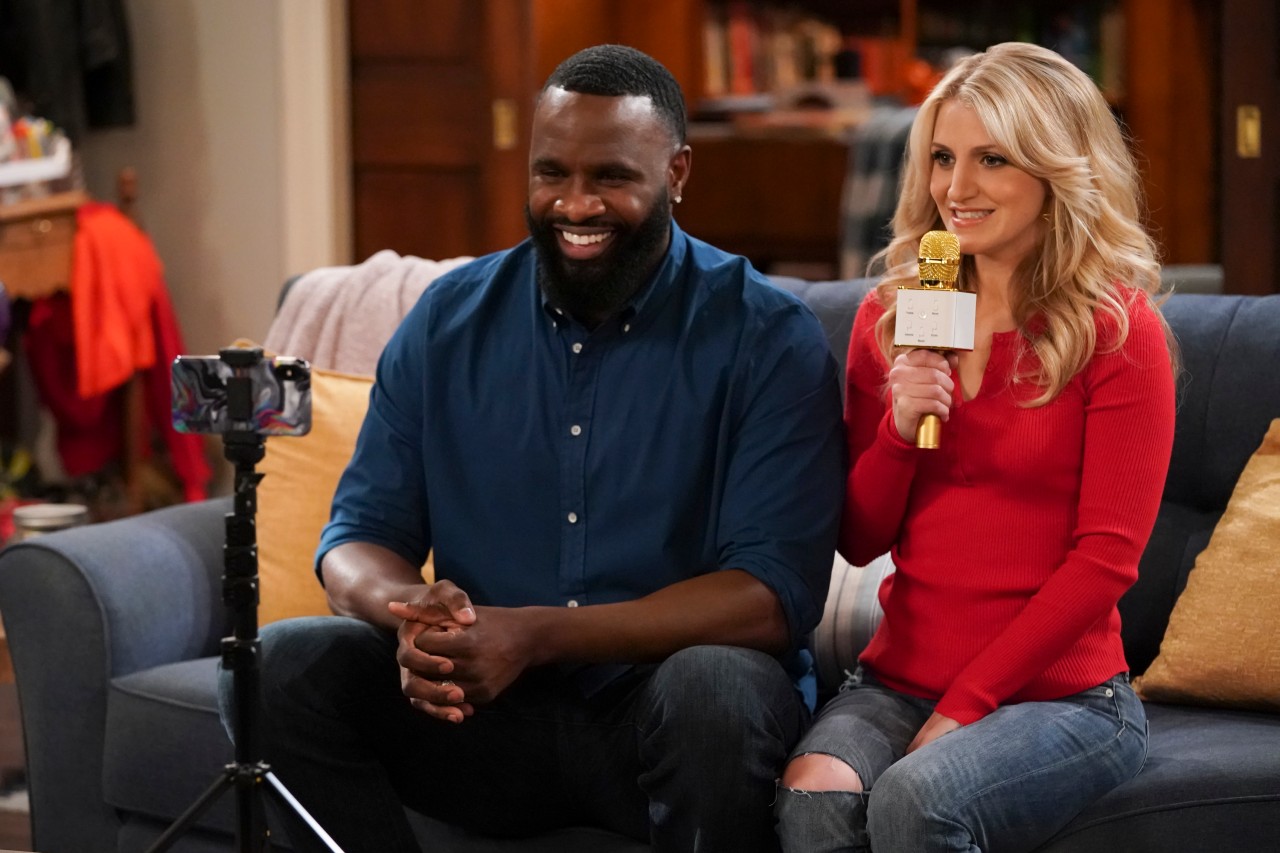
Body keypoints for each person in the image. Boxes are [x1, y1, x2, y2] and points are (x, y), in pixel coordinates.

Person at [218, 44, 845, 852]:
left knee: (718, 685)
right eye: (552, 174)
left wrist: (535, 633)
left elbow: (770, 597)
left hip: (662, 714)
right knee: (277, 664)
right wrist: (413, 614)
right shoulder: (448, 321)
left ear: (677, 172)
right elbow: (356, 539)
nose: (575, 205)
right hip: (480, 712)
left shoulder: (766, 336)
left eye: (611, 177)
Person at [774, 42, 1177, 852]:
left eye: (992, 159)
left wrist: (968, 701)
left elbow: (1106, 559)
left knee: (919, 799)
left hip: (1062, 698)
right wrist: (899, 429)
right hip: (897, 677)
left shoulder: (1117, 329)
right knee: (813, 797)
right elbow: (858, 536)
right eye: (943, 158)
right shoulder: (890, 317)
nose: (957, 190)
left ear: (1055, 169)